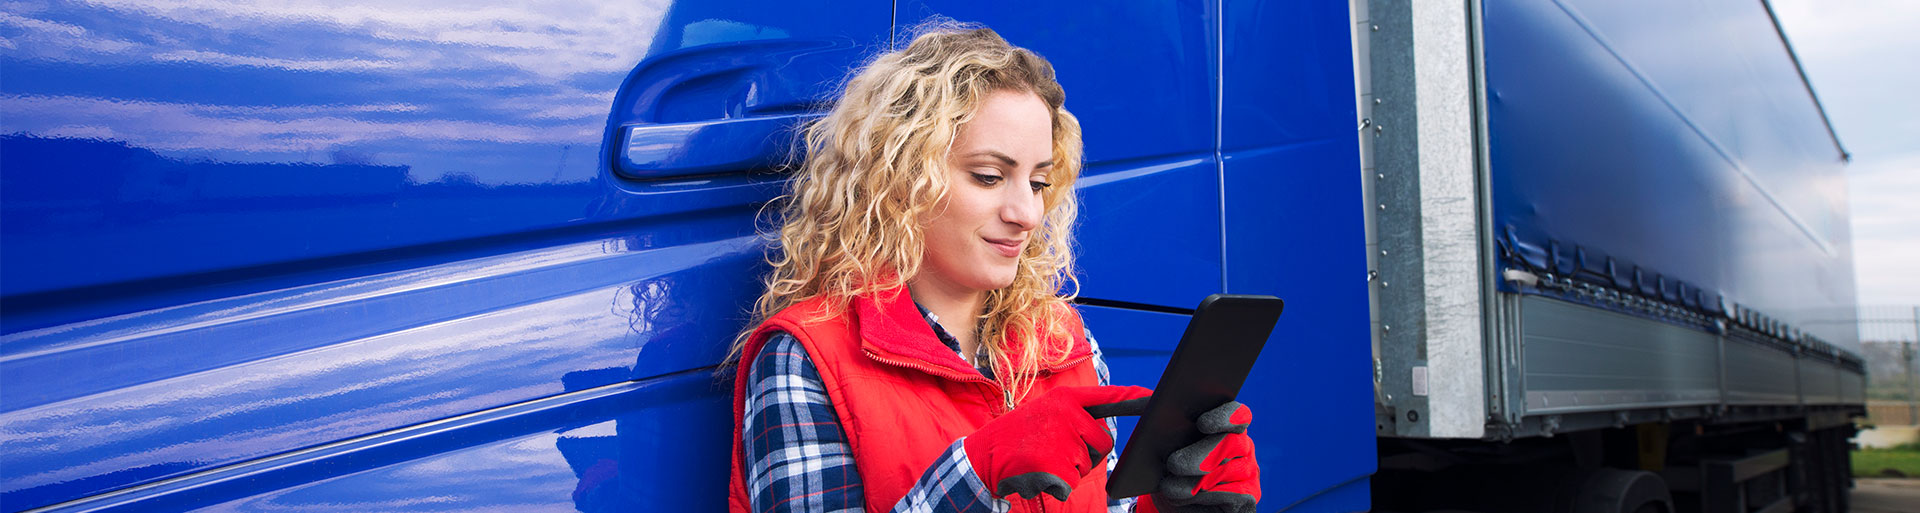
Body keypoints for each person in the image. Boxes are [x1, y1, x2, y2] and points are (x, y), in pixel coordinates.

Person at [725, 23, 1260, 513]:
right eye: (987, 176)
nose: (1026, 214)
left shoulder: (1063, 339)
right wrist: (975, 475)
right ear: (901, 179)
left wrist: (1164, 509)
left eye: (1038, 182)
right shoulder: (807, 357)